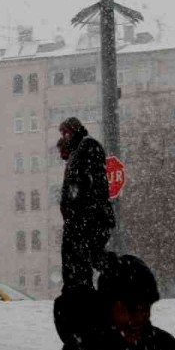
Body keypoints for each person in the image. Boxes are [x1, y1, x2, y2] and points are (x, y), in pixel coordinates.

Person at [57, 117, 115, 292]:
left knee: (84, 255)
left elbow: (91, 184)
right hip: (81, 218)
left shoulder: (88, 147)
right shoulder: (78, 151)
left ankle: (83, 289)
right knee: (82, 255)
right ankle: (79, 289)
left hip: (87, 217)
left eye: (65, 133)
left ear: (73, 130)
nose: (64, 137)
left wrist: (80, 207)